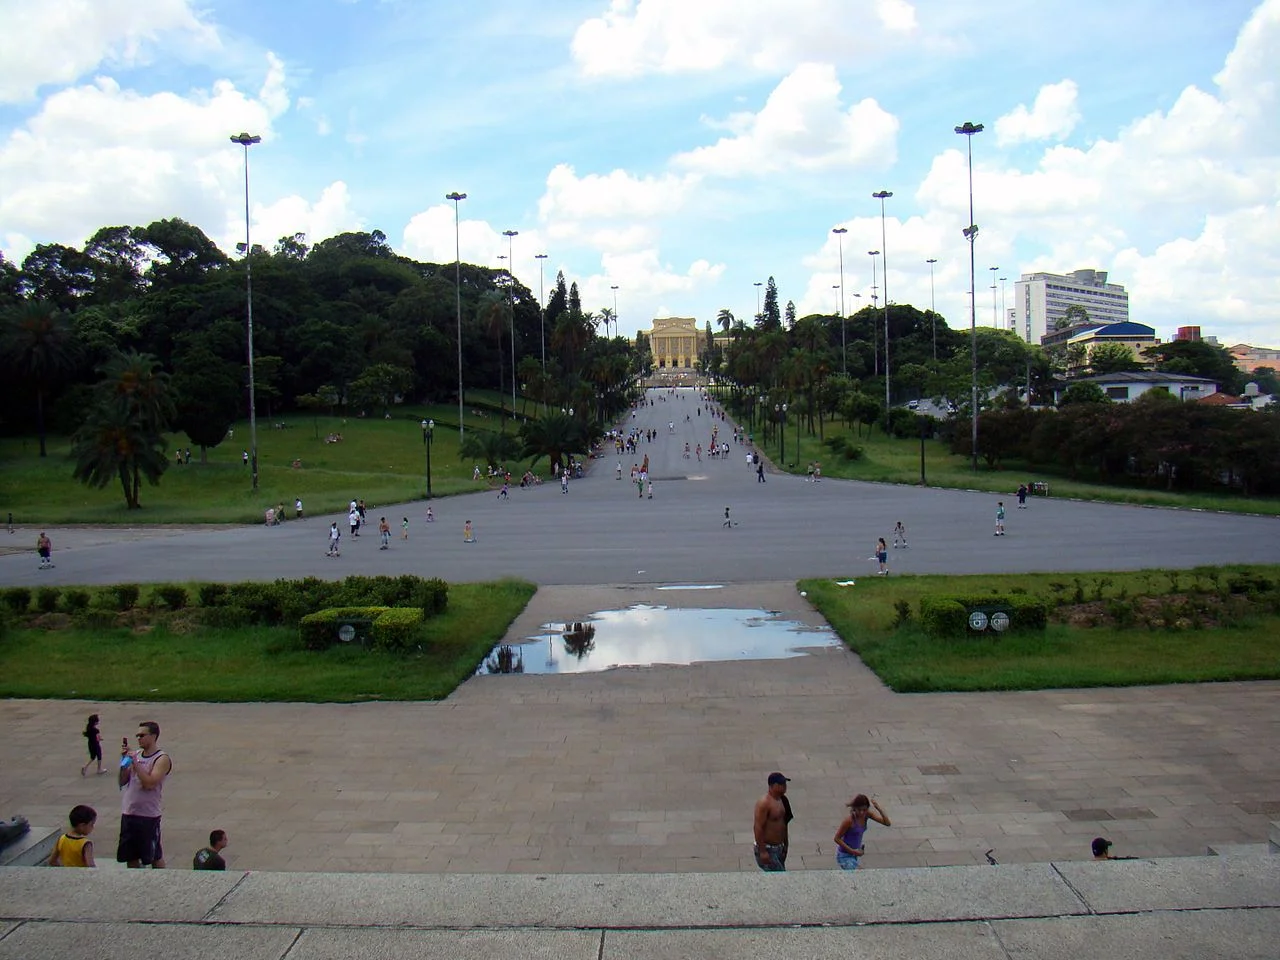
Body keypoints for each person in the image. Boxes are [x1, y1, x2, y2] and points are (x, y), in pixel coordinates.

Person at [117, 721, 172, 868]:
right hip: (129, 812)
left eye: (142, 735)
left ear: (153, 736)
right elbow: (122, 781)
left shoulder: (161, 758)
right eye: (137, 736)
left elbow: (149, 783)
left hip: (148, 815)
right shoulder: (135, 755)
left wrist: (135, 762)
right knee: (130, 855)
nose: (139, 738)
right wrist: (124, 763)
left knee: (154, 855)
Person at [832, 794, 891, 871]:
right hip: (844, 855)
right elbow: (837, 838)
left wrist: (879, 809)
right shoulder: (849, 821)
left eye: (864, 810)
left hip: (854, 854)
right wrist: (852, 851)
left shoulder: (867, 815)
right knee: (860, 875)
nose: (861, 813)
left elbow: (887, 823)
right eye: (859, 810)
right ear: (854, 808)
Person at [753, 772, 791, 871]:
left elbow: (784, 824)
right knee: (780, 878)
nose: (785, 787)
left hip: (779, 847)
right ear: (773, 786)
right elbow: (758, 827)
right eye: (782, 785)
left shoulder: (783, 800)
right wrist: (762, 851)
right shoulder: (764, 803)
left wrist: (786, 845)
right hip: (768, 848)